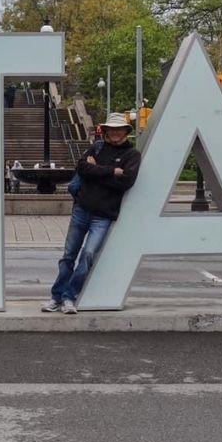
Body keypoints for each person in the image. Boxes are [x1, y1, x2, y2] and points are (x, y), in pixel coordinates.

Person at [43, 113, 140, 314]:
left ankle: (70, 296)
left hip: (103, 216)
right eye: (111, 129)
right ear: (105, 131)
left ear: (125, 132)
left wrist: (97, 171)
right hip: (82, 210)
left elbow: (126, 182)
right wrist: (112, 171)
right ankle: (56, 297)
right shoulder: (97, 147)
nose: (115, 133)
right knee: (68, 256)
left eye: (119, 129)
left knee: (87, 255)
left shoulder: (132, 155)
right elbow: (82, 168)